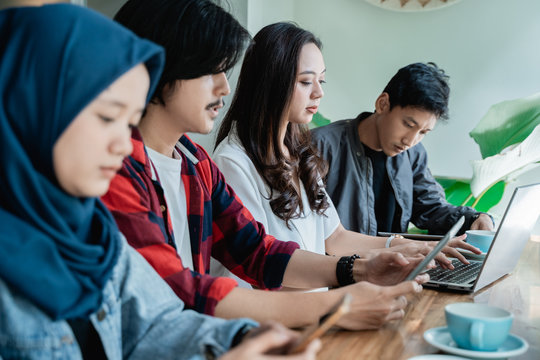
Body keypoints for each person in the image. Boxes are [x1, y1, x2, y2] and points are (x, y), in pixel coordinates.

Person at [0, 4, 320, 359]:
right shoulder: (120, 183)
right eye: (107, 117)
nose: (123, 144)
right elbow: (180, 293)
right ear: (32, 104)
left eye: (128, 121)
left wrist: (240, 340)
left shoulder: (96, 235)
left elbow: (156, 323)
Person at [102, 0, 427, 331]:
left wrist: (358, 270)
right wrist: (335, 304)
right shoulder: (115, 170)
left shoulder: (195, 163)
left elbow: (256, 250)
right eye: (209, 71)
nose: (224, 87)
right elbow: (180, 291)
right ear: (158, 66)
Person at [213, 23, 477, 279]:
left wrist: (410, 246)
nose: (318, 93)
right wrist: (355, 278)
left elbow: (335, 237)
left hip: (319, 303)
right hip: (285, 315)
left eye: (321, 81)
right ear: (271, 81)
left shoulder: (300, 153)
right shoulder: (233, 163)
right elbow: (260, 265)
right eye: (306, 82)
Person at [311, 62, 494, 236]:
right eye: (408, 124)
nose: (410, 140)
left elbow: (430, 207)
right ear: (382, 104)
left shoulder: (413, 154)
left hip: (395, 264)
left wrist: (475, 218)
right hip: (339, 266)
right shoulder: (320, 147)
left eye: (423, 132)